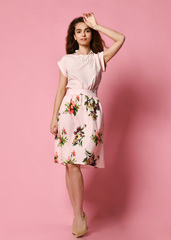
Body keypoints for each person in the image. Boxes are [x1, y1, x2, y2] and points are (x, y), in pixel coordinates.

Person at [50, 12, 125, 237]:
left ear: (91, 34)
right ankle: (78, 214)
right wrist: (53, 117)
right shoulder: (66, 60)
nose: (83, 34)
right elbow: (60, 90)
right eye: (79, 30)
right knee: (69, 163)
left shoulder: (98, 58)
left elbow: (121, 39)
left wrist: (98, 25)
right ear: (73, 36)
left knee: (77, 159)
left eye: (87, 30)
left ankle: (78, 214)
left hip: (90, 111)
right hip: (68, 110)